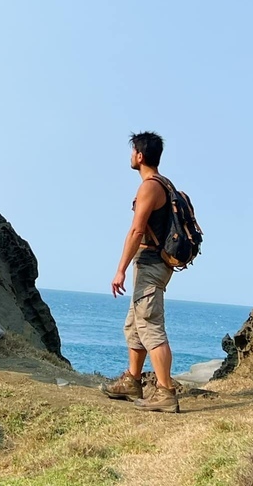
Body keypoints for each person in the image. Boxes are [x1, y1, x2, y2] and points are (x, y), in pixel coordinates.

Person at [101, 131, 179, 413]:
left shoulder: (149, 187)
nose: (131, 156)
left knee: (150, 325)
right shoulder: (166, 184)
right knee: (135, 324)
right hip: (154, 263)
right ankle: (133, 380)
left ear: (140, 156)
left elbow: (136, 230)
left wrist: (119, 270)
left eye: (132, 151)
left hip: (151, 264)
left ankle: (165, 392)